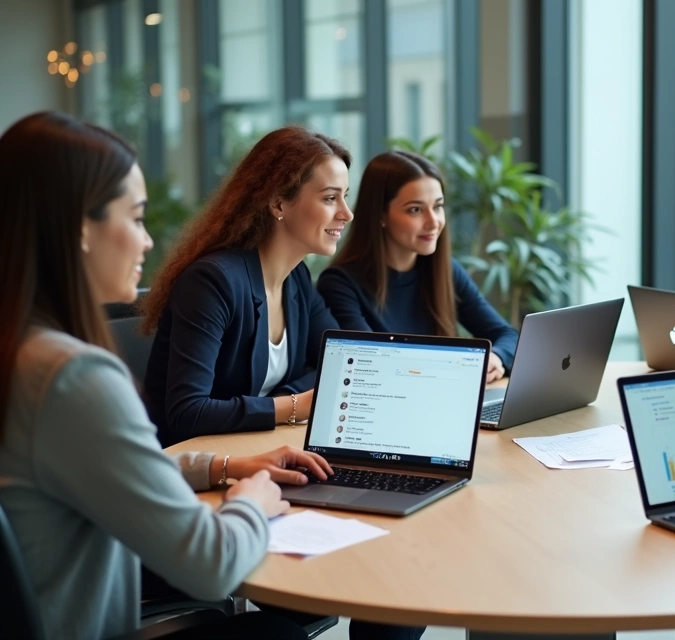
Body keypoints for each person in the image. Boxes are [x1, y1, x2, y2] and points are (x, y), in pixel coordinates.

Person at [0, 111, 339, 640]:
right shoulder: (72, 378)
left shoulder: (21, 352)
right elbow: (212, 565)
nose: (148, 243)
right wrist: (249, 500)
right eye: (135, 219)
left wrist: (226, 465)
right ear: (78, 229)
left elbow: (107, 467)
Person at [141, 126, 348, 447]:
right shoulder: (212, 282)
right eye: (330, 198)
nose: (346, 214)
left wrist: (284, 398)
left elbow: (339, 364)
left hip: (253, 450)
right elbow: (187, 413)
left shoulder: (297, 279)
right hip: (186, 466)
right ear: (278, 204)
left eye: (344, 197)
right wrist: (291, 406)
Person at [317, 150, 518, 383]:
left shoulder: (443, 270)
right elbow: (371, 366)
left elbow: (507, 334)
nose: (434, 222)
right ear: (380, 214)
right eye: (415, 209)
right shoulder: (340, 284)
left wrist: (496, 357)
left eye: (438, 206)